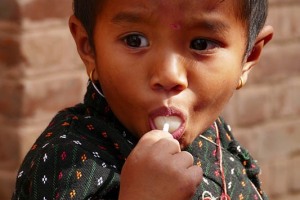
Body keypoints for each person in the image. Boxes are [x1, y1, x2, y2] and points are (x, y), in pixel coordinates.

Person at [12, 0, 274, 199]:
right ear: (87, 46)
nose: (169, 75)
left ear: (248, 57)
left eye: (202, 44)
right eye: (135, 40)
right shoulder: (65, 160)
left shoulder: (214, 133)